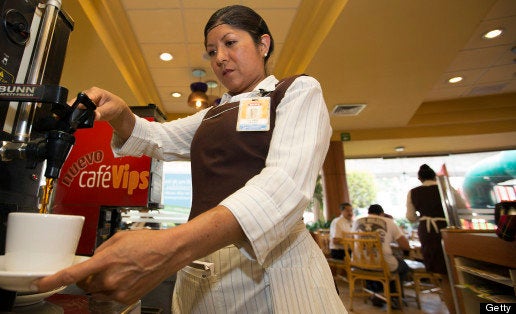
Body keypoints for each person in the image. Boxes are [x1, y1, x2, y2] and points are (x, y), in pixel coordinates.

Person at [34, 5, 346, 313]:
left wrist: (170, 247)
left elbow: (283, 186)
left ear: (263, 44)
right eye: (211, 51)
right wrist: (120, 113)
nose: (219, 58)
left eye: (230, 43)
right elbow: (159, 138)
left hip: (273, 275)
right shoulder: (212, 114)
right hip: (202, 272)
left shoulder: (295, 91)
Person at [406, 164, 460, 313]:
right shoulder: (446, 188)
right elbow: (460, 206)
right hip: (448, 229)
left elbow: (410, 217)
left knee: (443, 273)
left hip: (428, 231)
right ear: (434, 176)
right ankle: (461, 305)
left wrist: (422, 214)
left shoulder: (414, 192)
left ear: (420, 178)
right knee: (455, 269)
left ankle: (452, 307)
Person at [353, 204, 410, 307]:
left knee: (385, 263)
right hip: (382, 265)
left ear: (368, 213)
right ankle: (394, 298)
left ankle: (377, 294)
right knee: (403, 267)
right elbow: (405, 246)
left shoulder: (357, 221)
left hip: (359, 263)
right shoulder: (389, 222)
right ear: (382, 214)